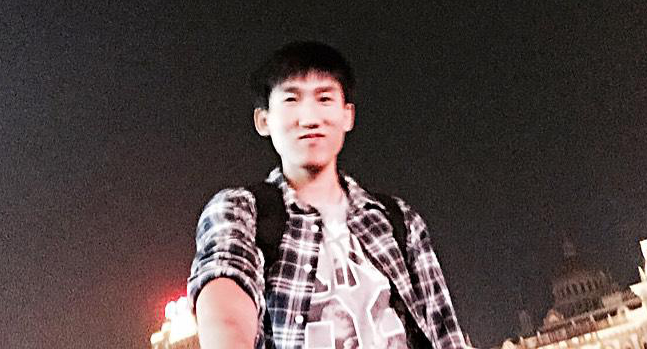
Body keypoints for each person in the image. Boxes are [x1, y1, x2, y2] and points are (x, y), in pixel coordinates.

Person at [187, 41, 466, 348]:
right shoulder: (241, 211)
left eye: (324, 98)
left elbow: (444, 331)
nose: (310, 119)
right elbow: (225, 299)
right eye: (291, 99)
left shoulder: (398, 220)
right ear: (263, 120)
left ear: (348, 115)